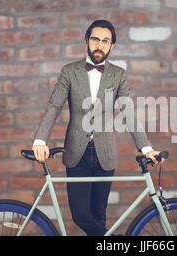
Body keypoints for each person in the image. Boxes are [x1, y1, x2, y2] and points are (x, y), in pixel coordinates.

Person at [32, 19, 164, 236]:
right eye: (95, 39)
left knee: (98, 215)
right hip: (77, 153)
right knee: (81, 215)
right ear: (86, 40)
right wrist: (40, 140)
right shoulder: (69, 71)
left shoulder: (118, 75)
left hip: (105, 153)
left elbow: (128, 112)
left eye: (105, 41)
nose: (99, 45)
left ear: (112, 45)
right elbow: (54, 105)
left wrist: (146, 148)